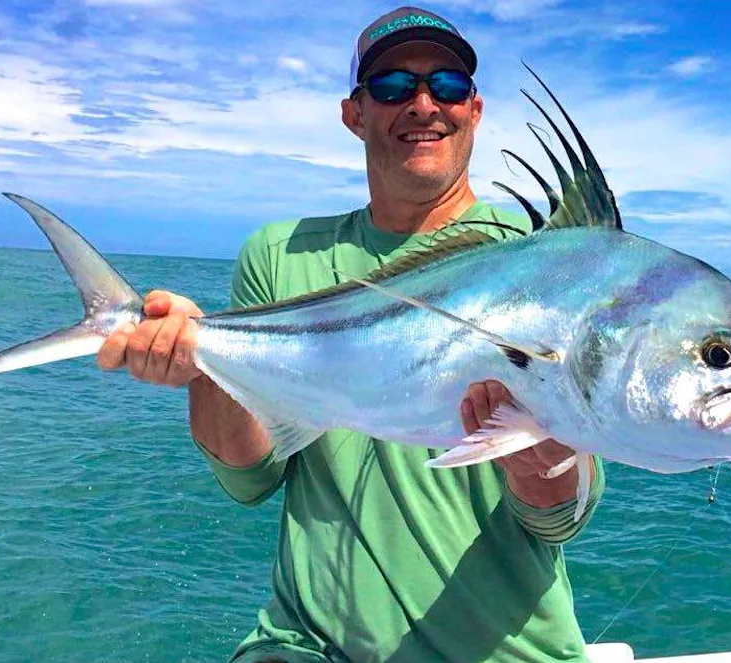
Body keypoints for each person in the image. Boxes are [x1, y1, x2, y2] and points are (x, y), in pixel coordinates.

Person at [97, 7, 605, 662]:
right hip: (308, 646)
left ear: (474, 109)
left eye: (447, 85)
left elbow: (562, 518)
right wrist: (203, 367)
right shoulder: (279, 255)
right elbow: (250, 479)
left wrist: (543, 466)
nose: (423, 104)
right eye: (393, 86)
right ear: (354, 113)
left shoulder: (545, 259)